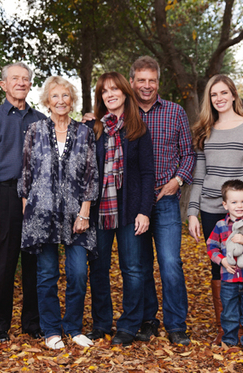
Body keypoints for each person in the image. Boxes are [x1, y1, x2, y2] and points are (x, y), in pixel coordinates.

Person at [18, 76, 99, 350]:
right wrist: (27, 211)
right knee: (47, 275)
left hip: (77, 216)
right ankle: (51, 330)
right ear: (47, 101)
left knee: (77, 273)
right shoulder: (34, 130)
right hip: (42, 216)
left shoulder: (85, 133)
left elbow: (91, 175)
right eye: (55, 96)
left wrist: (85, 212)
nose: (61, 101)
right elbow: (26, 173)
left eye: (66, 96)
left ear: (72, 100)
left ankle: (74, 328)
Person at [186, 74, 243, 344]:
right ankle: (227, 329)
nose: (219, 98)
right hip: (210, 207)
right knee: (219, 266)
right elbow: (198, 176)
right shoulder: (204, 130)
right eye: (213, 94)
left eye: (223, 93)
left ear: (233, 94)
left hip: (242, 210)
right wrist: (192, 212)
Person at [128, 56, 195, 346]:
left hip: (166, 198)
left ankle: (176, 324)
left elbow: (189, 154)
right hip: (133, 202)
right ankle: (148, 320)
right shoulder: (124, 113)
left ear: (158, 82)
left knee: (170, 262)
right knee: (140, 265)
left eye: (151, 80)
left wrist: (176, 180)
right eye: (140, 80)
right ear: (132, 82)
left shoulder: (175, 111)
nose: (146, 86)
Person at [85, 72, 156, 347]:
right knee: (98, 268)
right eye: (105, 91)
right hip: (100, 210)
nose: (110, 94)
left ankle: (129, 325)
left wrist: (144, 211)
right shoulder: (94, 130)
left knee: (133, 269)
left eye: (115, 89)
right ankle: (101, 324)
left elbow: (148, 173)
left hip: (129, 210)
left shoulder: (138, 128)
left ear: (125, 93)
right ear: (101, 97)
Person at [0, 62, 45, 343]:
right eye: (14, 78)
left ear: (30, 85)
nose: (21, 82)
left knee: (35, 264)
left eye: (25, 79)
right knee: (0, 265)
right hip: (4, 197)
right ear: (3, 84)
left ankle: (32, 323)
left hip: (36, 199)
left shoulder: (41, 120)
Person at [206, 180, 243, 353]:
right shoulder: (220, 226)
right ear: (225, 205)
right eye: (234, 202)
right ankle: (230, 340)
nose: (239, 206)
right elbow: (211, 246)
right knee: (229, 312)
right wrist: (222, 261)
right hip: (228, 279)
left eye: (242, 201)